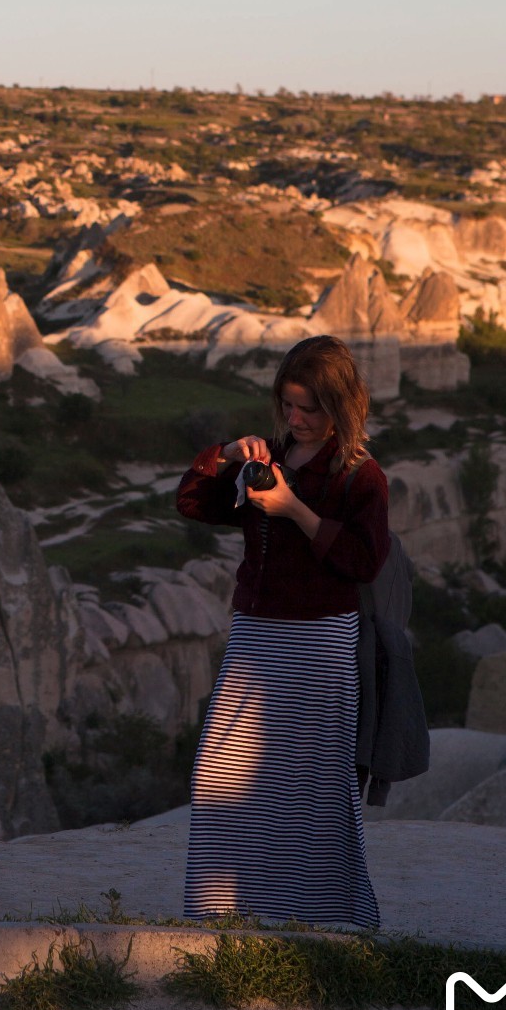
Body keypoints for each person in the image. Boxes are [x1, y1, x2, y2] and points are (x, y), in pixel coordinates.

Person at [175, 334, 389, 928]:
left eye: (309, 409)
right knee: (221, 771)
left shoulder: (360, 476)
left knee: (312, 784)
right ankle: (219, 914)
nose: (295, 420)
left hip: (320, 640)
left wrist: (295, 509)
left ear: (340, 408)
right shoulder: (265, 455)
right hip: (256, 633)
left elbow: (365, 561)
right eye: (287, 406)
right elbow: (193, 504)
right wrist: (223, 458)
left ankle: (324, 918)